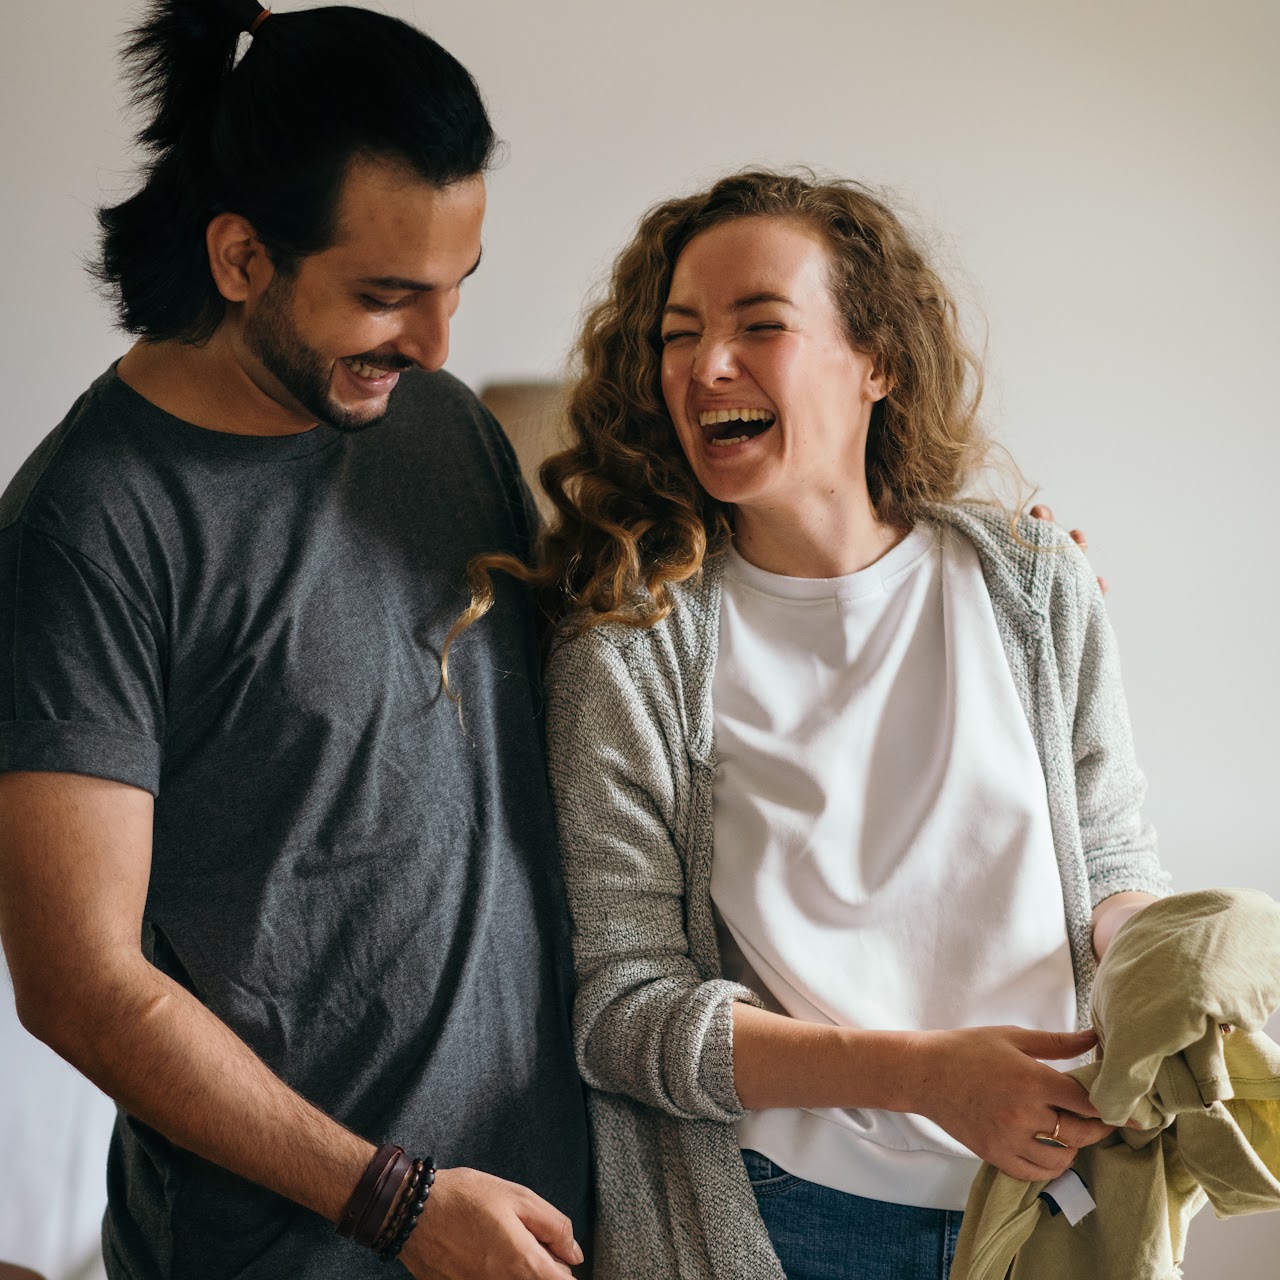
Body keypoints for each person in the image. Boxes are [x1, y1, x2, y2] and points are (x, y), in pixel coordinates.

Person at [451, 170, 1171, 1280]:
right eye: (678, 334)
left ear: (876, 359)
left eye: (759, 325)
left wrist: (1180, 965)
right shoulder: (628, 651)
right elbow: (623, 1013)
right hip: (794, 1221)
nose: (705, 366)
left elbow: (1111, 864)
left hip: (1058, 1200)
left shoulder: (1034, 583)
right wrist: (927, 1076)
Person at [0, 2, 590, 1276]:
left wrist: (966, 579)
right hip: (291, 1247)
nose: (437, 347)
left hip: (533, 1226)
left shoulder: (439, 425)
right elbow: (77, 981)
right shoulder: (87, 524)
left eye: (452, 290)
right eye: (386, 297)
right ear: (237, 258)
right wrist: (399, 1201)